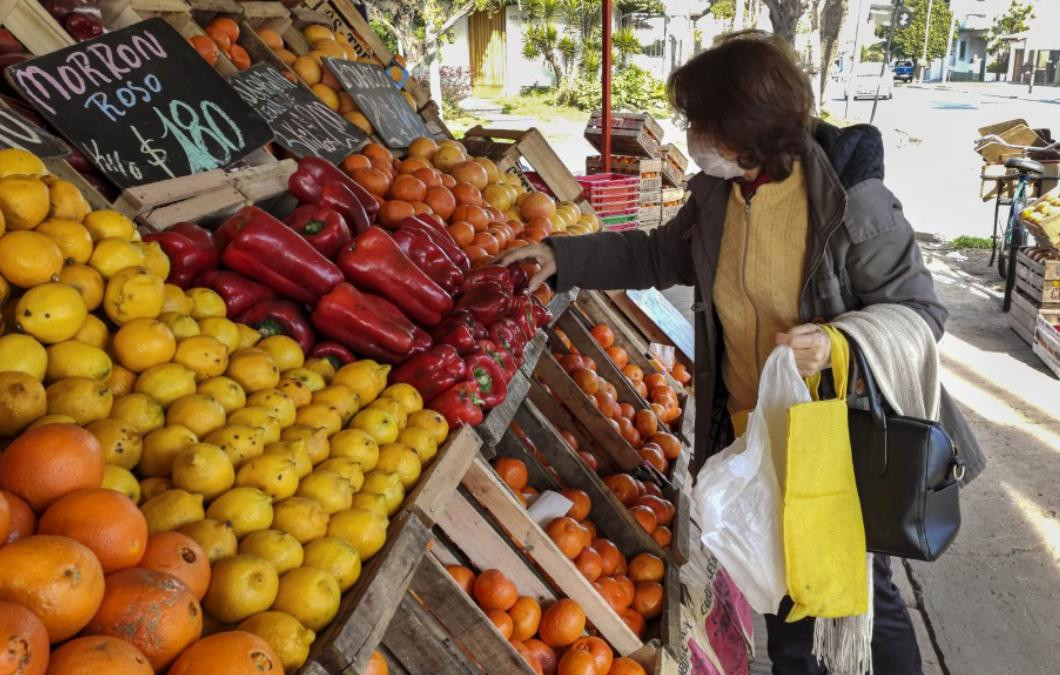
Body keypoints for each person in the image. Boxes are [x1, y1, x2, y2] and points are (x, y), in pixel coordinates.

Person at [499, 31, 983, 675]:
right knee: (778, 592)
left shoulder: (849, 200)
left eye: (702, 121)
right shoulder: (717, 195)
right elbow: (657, 255)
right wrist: (564, 256)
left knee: (860, 594)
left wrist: (838, 342)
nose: (693, 135)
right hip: (752, 432)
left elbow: (921, 313)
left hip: (837, 435)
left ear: (748, 126)